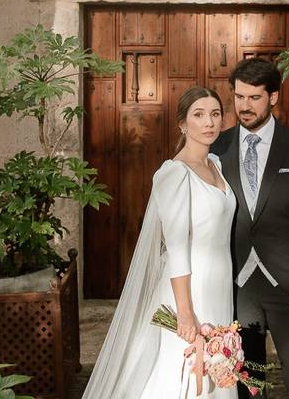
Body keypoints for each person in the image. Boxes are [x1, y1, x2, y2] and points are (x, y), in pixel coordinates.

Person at [83, 86, 237, 399]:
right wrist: (184, 311)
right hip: (190, 290)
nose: (208, 122)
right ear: (183, 123)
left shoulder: (216, 165)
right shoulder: (174, 173)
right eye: (198, 114)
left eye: (215, 114)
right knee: (180, 372)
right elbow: (177, 247)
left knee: (214, 373)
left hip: (219, 284)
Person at [210, 58, 289, 399]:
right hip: (237, 286)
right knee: (249, 384)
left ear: (273, 97)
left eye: (254, 98)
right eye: (238, 97)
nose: (244, 106)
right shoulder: (217, 148)